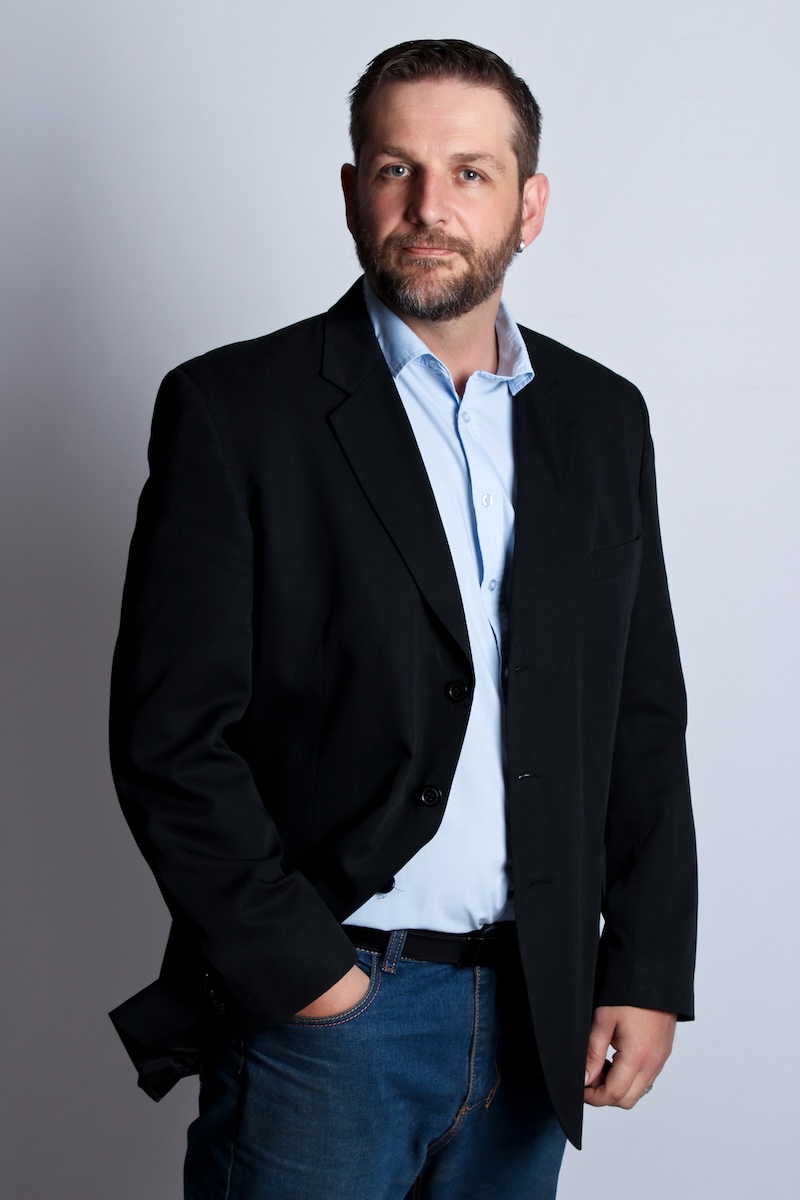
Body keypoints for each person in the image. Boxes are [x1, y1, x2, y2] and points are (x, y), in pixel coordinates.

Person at [109, 38, 697, 1200]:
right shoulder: (234, 411)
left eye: (469, 172)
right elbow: (169, 738)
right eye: (395, 169)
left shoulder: (599, 419)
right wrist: (305, 974)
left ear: (529, 205)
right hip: (328, 1017)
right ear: (351, 192)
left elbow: (637, 713)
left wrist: (644, 965)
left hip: (538, 1008)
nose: (429, 206)